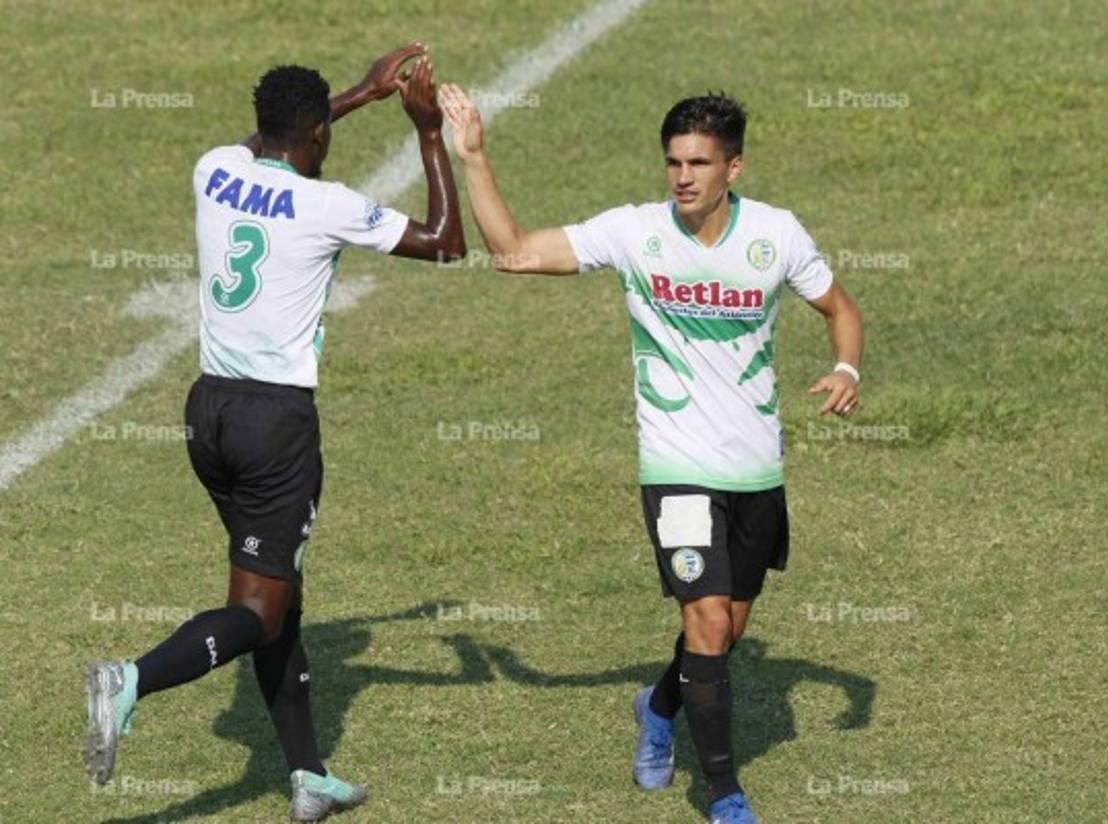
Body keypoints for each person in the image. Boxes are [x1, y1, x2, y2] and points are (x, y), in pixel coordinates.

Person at [438, 84, 863, 823]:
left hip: (756, 469)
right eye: (673, 162)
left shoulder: (777, 235)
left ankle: (658, 705)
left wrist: (847, 368)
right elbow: (512, 254)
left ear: (735, 167)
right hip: (675, 468)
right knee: (703, 622)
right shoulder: (636, 233)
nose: (683, 177)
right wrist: (472, 158)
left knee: (727, 631)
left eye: (699, 162)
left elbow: (840, 308)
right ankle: (724, 792)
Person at [83, 45, 465, 822]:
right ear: (319, 134)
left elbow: (268, 142)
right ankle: (130, 680)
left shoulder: (213, 167)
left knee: (277, 596)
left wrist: (355, 93)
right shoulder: (328, 207)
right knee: (257, 612)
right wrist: (427, 130)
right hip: (275, 428)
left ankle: (308, 776)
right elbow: (446, 241)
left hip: (208, 413)